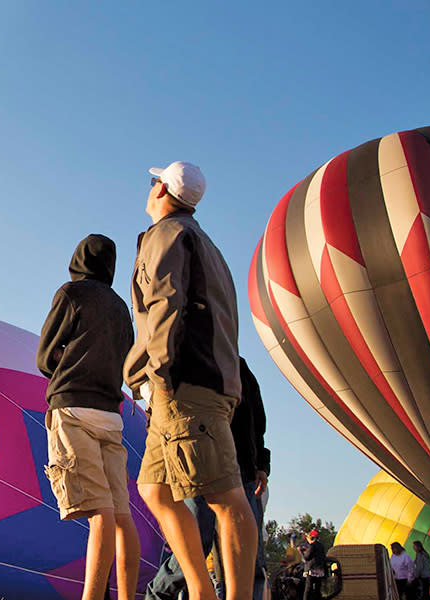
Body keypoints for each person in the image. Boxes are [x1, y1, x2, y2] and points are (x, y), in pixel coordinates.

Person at [124, 160, 256, 600]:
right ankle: (202, 592)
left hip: (184, 384)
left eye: (152, 181)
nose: (149, 188)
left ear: (162, 189)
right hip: (197, 380)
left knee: (225, 498)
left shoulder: (167, 236)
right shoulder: (204, 242)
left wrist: (156, 374)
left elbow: (164, 306)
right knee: (154, 488)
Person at [37, 233, 139, 600]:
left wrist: (70, 366)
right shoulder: (121, 309)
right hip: (111, 415)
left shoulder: (71, 294)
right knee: (120, 515)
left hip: (74, 409)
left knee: (99, 513)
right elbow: (127, 360)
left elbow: (45, 356)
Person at [145, 359, 272, 600]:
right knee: (193, 545)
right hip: (198, 464)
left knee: (250, 557)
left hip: (241, 467)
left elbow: (256, 417)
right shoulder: (186, 359)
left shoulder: (239, 367)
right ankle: (157, 596)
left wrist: (261, 464)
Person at [295, 529, 328, 600]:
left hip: (312, 570)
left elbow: (306, 557)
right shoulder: (321, 546)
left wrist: (301, 552)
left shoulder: (312, 546)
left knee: (308, 589)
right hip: (320, 570)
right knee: (317, 589)